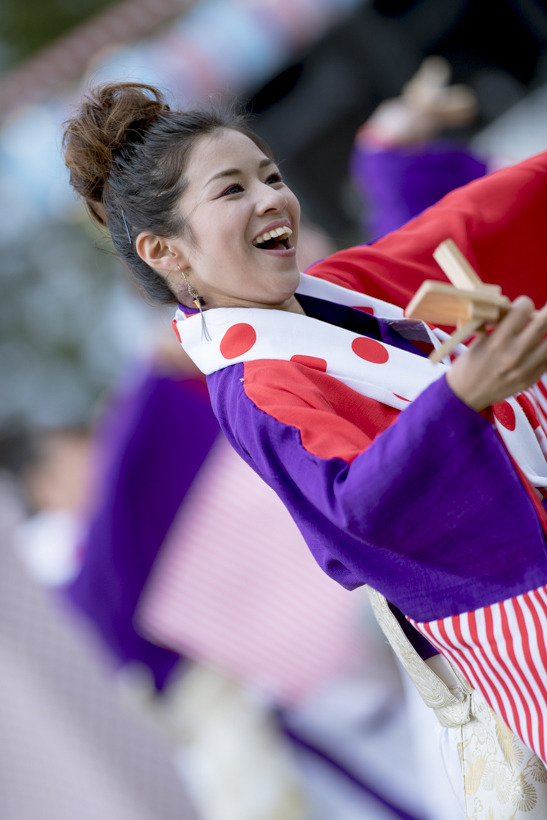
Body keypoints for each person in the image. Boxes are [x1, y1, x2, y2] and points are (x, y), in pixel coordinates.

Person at [63, 81, 547, 814]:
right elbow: (354, 505)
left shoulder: (338, 294)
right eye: (232, 190)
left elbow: (458, 232)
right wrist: (460, 397)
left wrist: (393, 150)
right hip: (517, 606)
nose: (270, 198)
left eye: (271, 176)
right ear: (165, 251)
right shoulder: (255, 386)